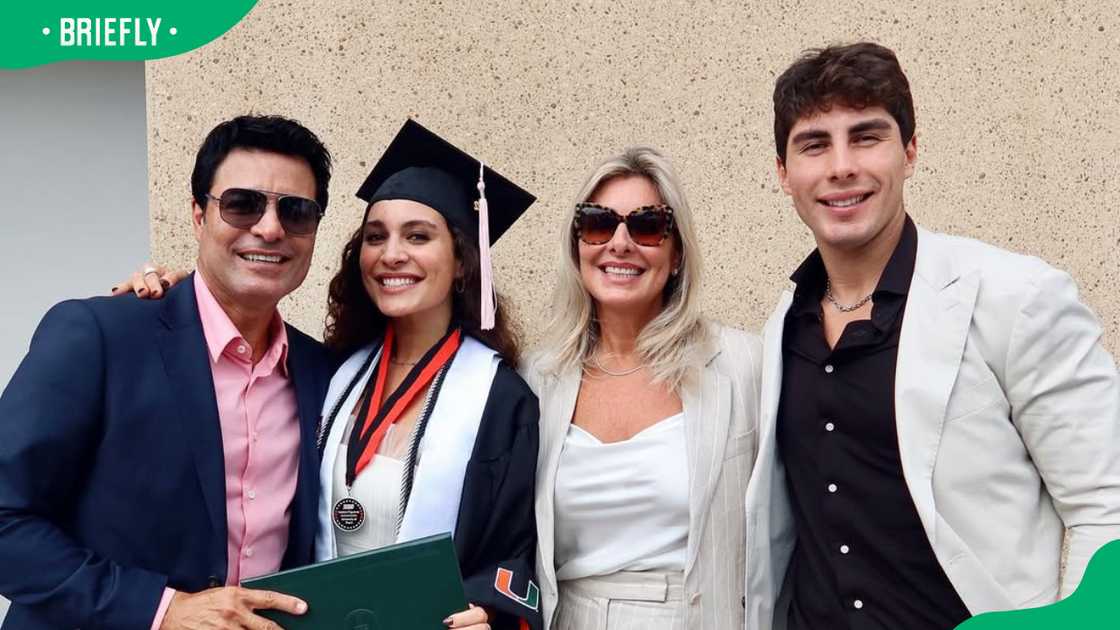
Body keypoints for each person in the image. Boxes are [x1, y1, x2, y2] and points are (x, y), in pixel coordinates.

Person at [744, 42, 1120, 630]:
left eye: (867, 136)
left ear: (910, 152)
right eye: (814, 144)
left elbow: (1109, 504)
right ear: (783, 174)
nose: (841, 165)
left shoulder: (1017, 297)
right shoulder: (779, 329)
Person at [121, 120, 544, 630]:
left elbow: (514, 547)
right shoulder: (330, 371)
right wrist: (174, 294)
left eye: (418, 236)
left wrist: (493, 614)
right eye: (375, 236)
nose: (392, 254)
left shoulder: (498, 397)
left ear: (461, 262)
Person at [0, 114, 335, 629]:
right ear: (199, 215)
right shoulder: (101, 336)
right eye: (242, 204)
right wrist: (163, 610)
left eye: (296, 211)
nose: (270, 229)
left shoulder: (323, 373)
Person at [524, 146, 762, 629]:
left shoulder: (742, 365)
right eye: (597, 222)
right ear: (577, 246)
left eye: (647, 225)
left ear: (676, 254)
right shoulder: (537, 377)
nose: (620, 243)